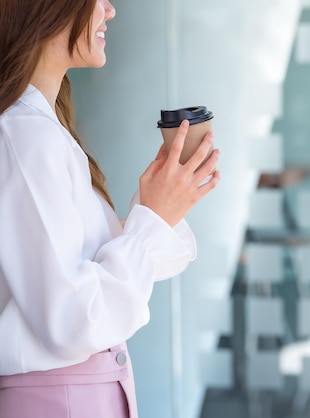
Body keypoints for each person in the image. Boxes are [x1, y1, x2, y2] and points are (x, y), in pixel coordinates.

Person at [0, 0, 220, 416]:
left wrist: (161, 208)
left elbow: (91, 278)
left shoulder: (41, 130)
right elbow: (71, 318)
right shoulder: (26, 135)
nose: (111, 9)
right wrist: (152, 218)